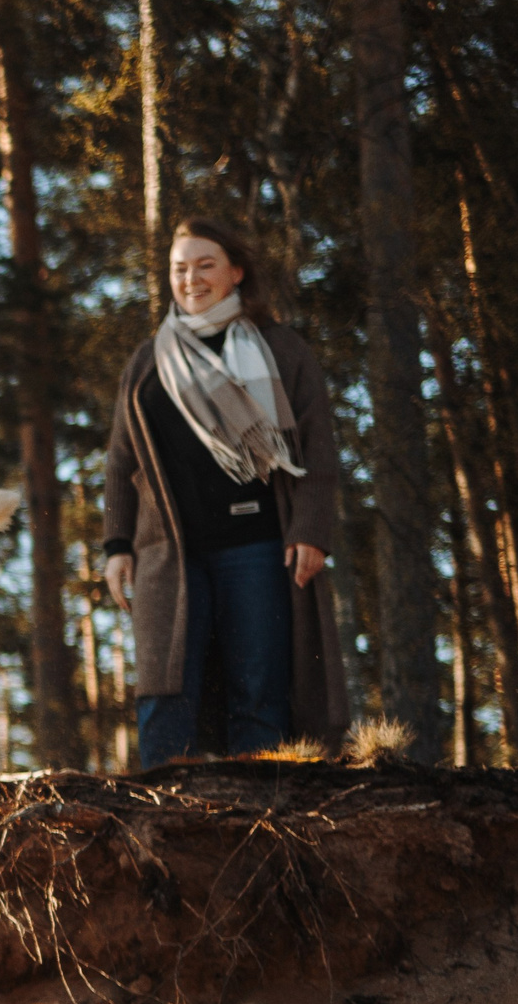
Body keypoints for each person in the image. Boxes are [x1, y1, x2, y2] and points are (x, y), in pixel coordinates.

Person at [102, 219, 349, 767]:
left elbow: (317, 450)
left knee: (259, 687)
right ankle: (162, 815)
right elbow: (121, 462)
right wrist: (117, 545)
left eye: (205, 265)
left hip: (259, 547)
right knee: (166, 689)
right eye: (179, 268)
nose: (191, 279)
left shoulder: (281, 351)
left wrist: (310, 530)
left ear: (236, 272)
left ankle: (261, 820)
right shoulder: (149, 362)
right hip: (170, 555)